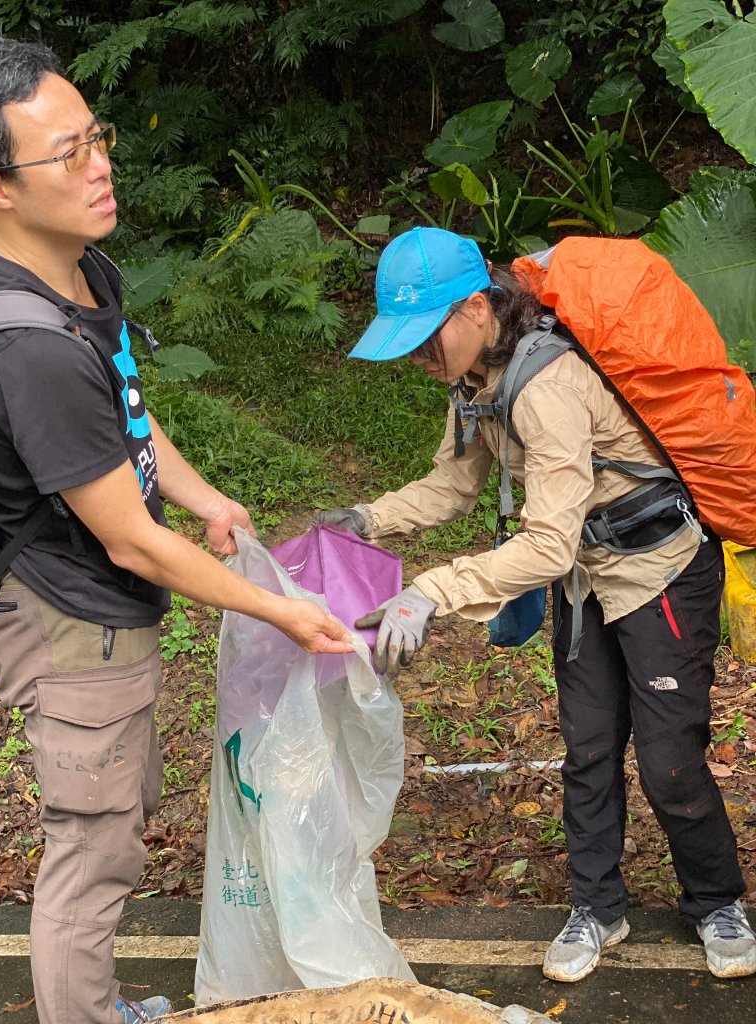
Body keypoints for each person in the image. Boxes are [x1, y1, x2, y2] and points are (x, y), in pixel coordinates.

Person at [0, 38, 352, 1024]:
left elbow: (130, 409)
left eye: (95, 138)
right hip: (69, 616)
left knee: (121, 799)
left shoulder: (79, 269)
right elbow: (127, 539)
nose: (99, 164)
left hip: (104, 604)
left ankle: (98, 998)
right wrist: (279, 609)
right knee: (93, 845)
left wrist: (202, 497)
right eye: (63, 154)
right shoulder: (25, 348)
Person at [317, 225, 756, 983]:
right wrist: (368, 517)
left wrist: (430, 592)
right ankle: (598, 907)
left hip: (659, 572)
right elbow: (453, 485)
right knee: (587, 748)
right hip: (588, 578)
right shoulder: (474, 385)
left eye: (428, 335)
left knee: (668, 757)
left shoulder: (548, 386)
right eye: (407, 341)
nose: (419, 356)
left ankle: (717, 901)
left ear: (480, 309)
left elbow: (547, 545)